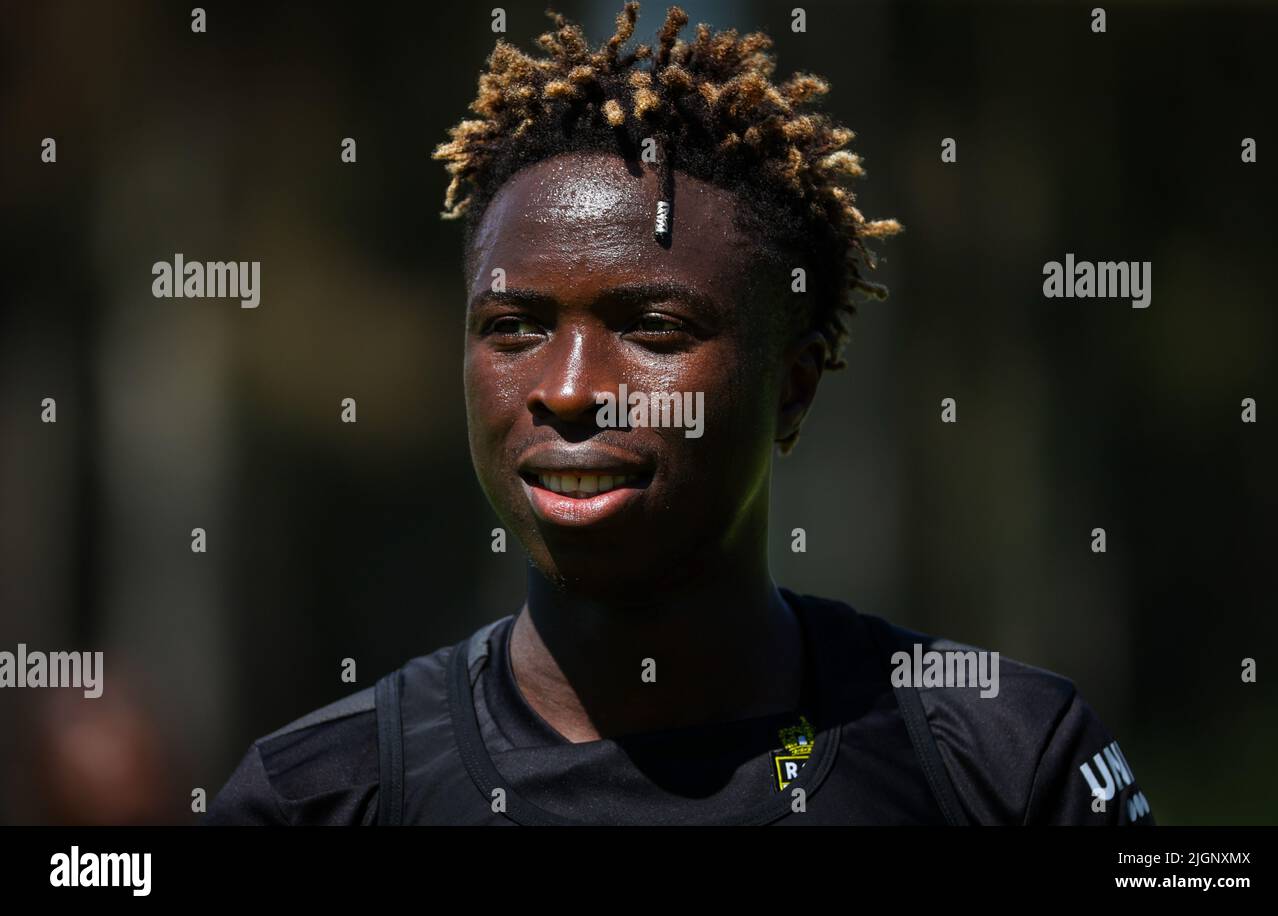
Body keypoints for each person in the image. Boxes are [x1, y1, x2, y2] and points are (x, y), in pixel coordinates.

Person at [205, 2, 1153, 826]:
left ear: (795, 384)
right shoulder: (322, 800)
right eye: (514, 328)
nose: (570, 388)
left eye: (652, 328)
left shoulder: (1004, 763)